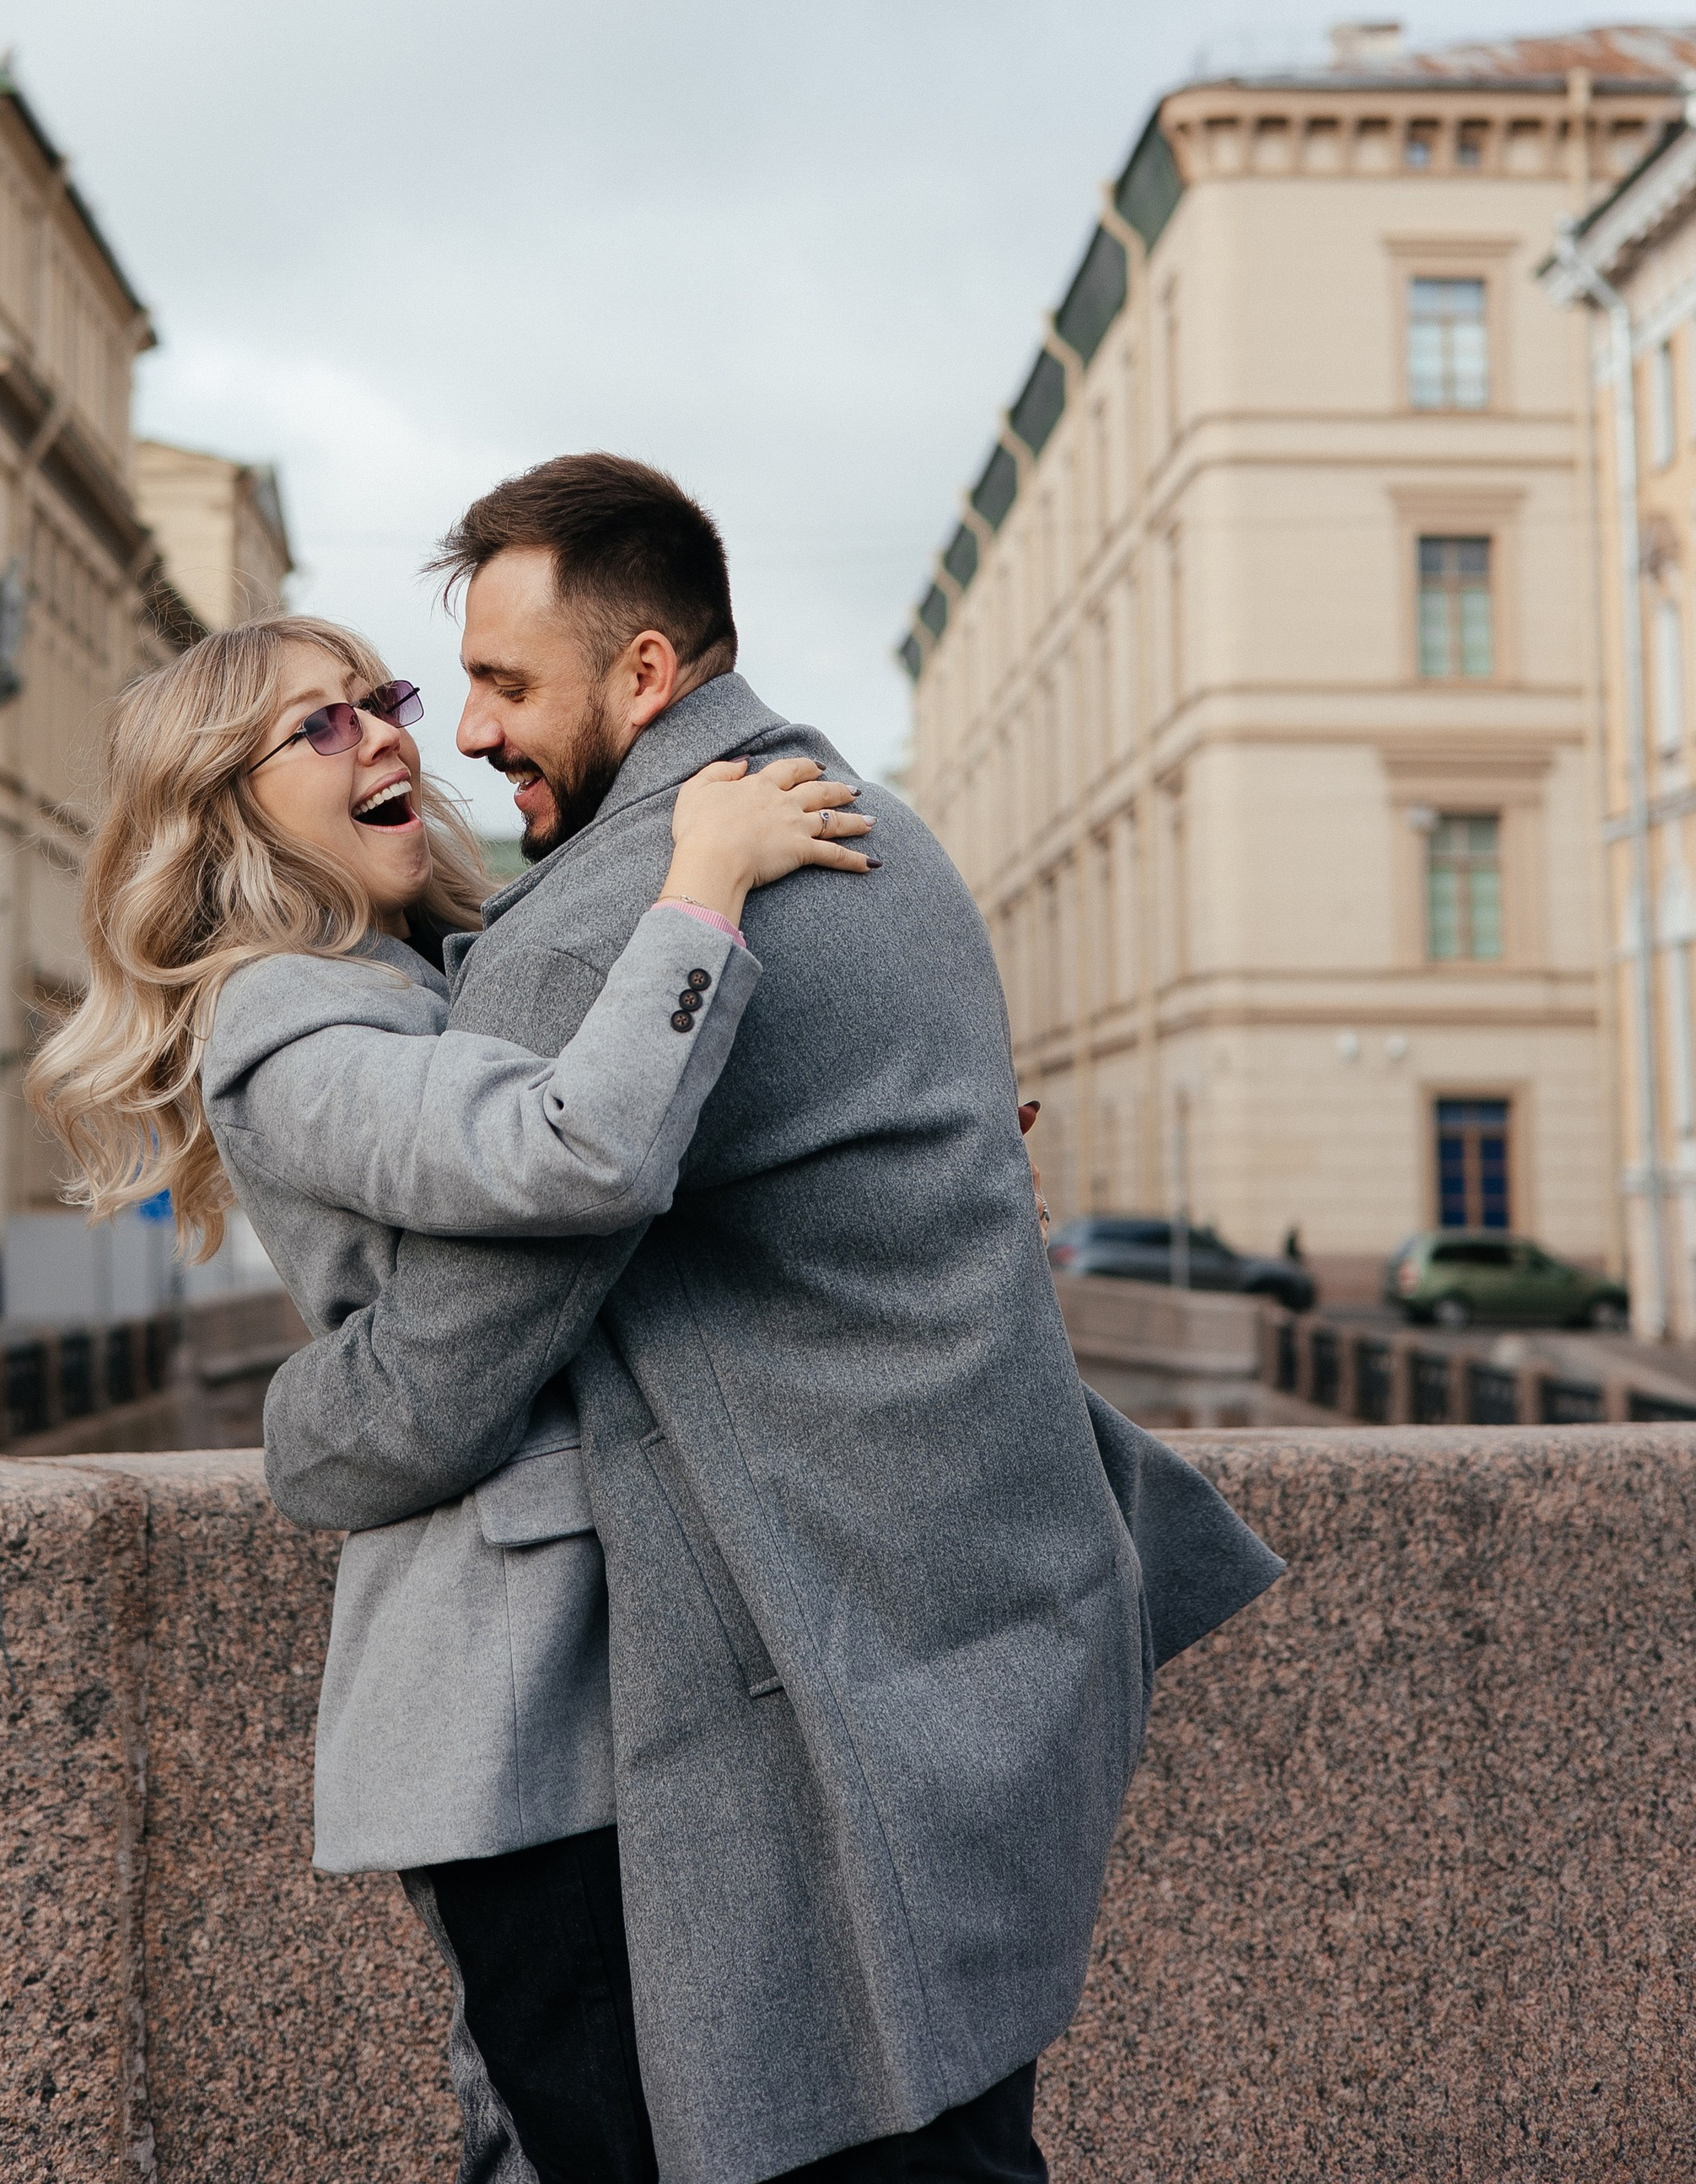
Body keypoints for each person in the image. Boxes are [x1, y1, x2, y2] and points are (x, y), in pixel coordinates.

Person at [260, 454, 1284, 2184]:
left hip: (839, 1711)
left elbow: (438, 1385)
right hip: (997, 1639)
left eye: (505, 685)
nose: (468, 735)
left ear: (644, 675)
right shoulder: (873, 818)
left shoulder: (593, 934)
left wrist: (296, 1431)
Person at [24, 612, 872, 1971]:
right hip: (504, 1697)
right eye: (319, 725)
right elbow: (573, 1151)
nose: (387, 736)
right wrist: (702, 886)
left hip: (607, 1669)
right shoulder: (283, 1022)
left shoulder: (424, 972)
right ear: (224, 812)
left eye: (380, 699)